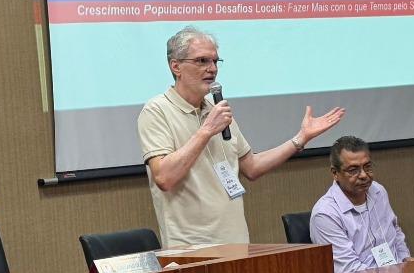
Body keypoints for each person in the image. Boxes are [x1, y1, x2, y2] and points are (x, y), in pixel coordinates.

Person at [138, 26, 345, 246]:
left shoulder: (216, 109)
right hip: (191, 249)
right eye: (202, 61)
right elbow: (164, 178)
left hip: (236, 243)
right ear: (176, 66)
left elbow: (252, 167)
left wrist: (301, 138)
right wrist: (206, 131)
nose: (212, 69)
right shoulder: (156, 111)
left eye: (215, 61)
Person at [310, 136, 414, 273]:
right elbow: (349, 271)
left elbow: (395, 231)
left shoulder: (378, 191)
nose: (364, 175)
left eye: (367, 167)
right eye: (353, 170)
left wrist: (406, 260)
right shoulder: (325, 215)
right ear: (335, 173)